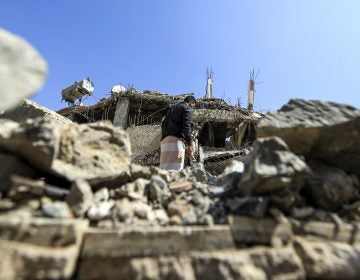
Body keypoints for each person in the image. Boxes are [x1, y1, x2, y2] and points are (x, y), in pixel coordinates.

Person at [160, 95, 196, 171]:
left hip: (164, 142)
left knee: (164, 172)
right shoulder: (187, 108)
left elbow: (163, 124)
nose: (192, 108)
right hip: (175, 143)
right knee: (175, 172)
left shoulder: (172, 108)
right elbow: (187, 127)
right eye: (193, 106)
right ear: (191, 102)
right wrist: (190, 144)